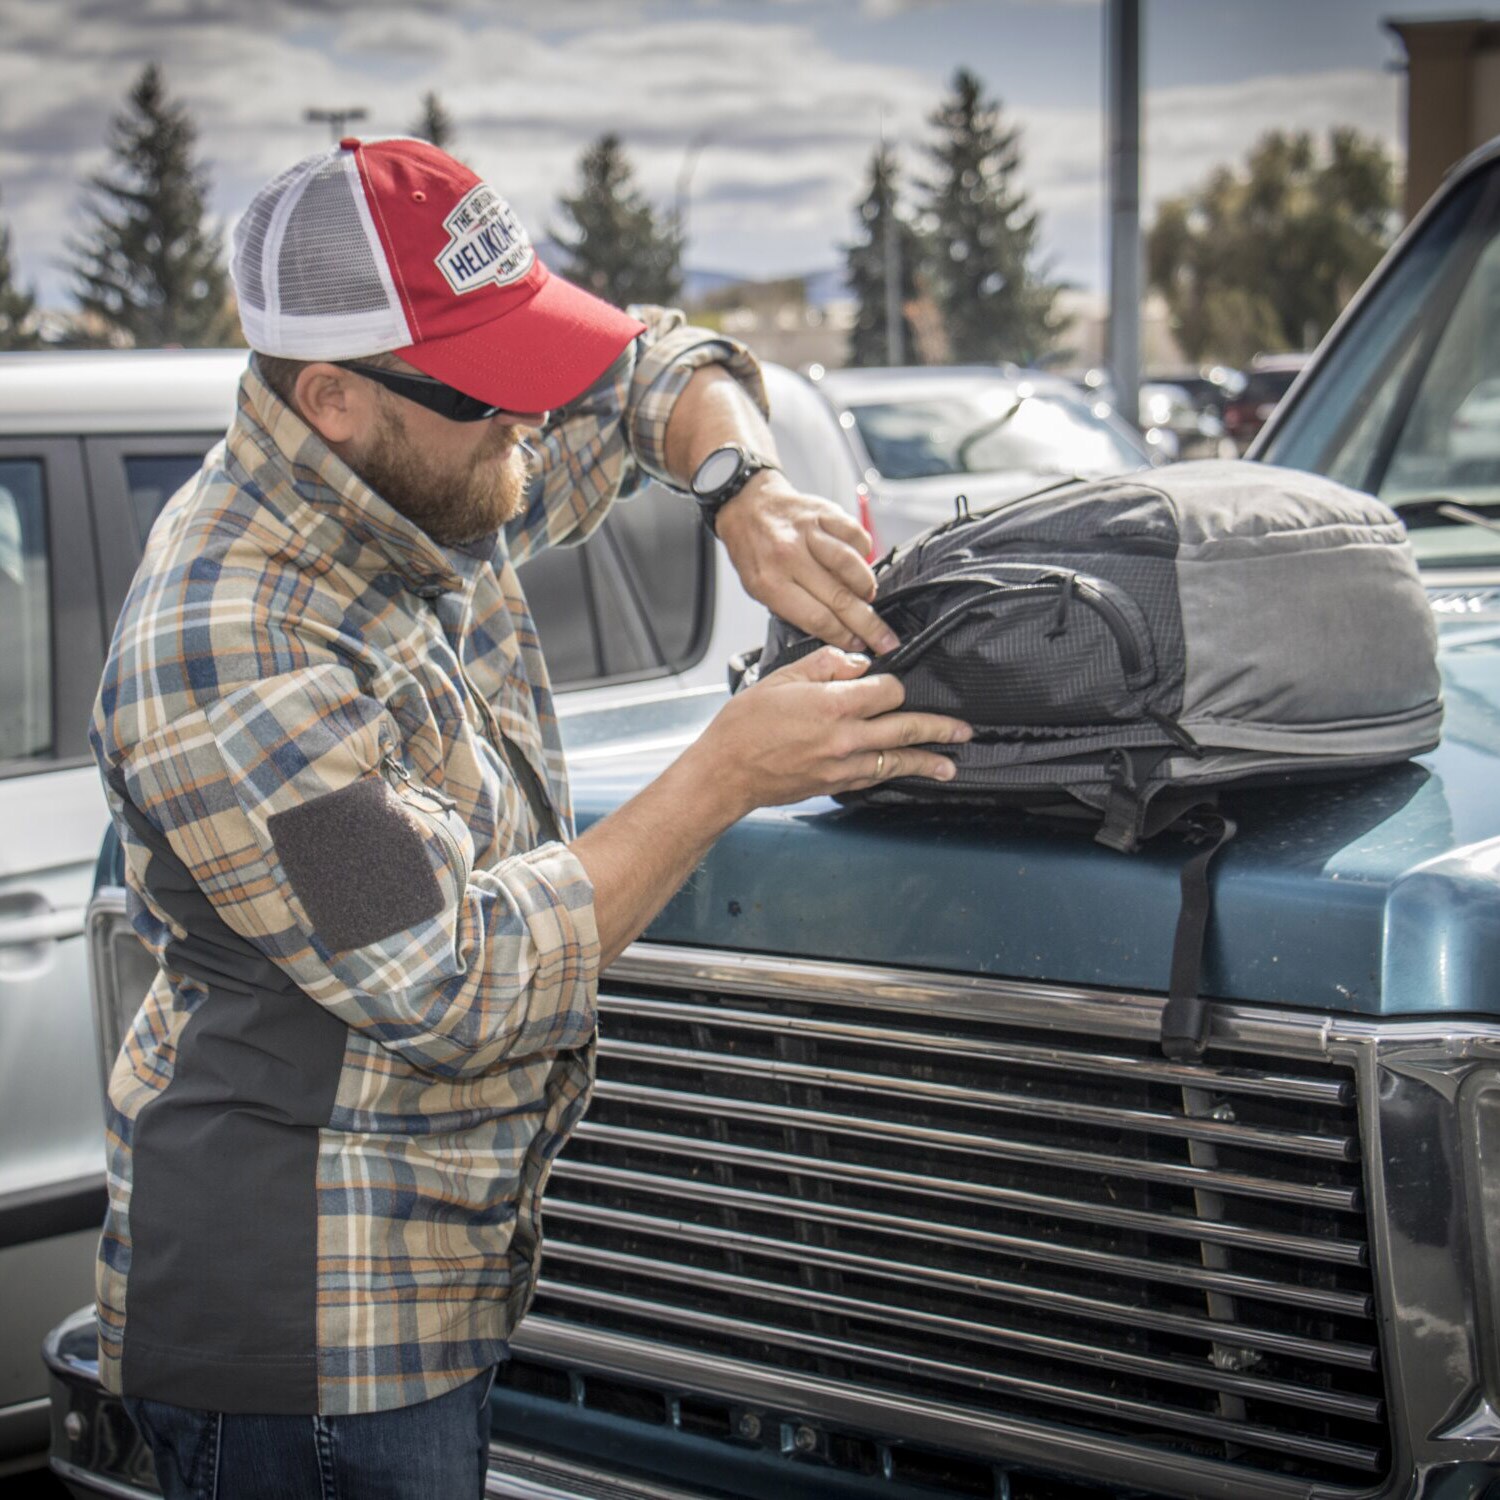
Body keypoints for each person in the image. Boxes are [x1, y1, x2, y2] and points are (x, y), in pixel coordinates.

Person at [91, 136, 971, 1500]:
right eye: (488, 387)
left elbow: (653, 372)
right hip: (314, 1344)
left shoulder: (419, 464)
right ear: (330, 397)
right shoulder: (240, 648)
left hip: (425, 1292)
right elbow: (454, 976)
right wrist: (725, 771)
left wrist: (744, 489)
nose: (525, 417)